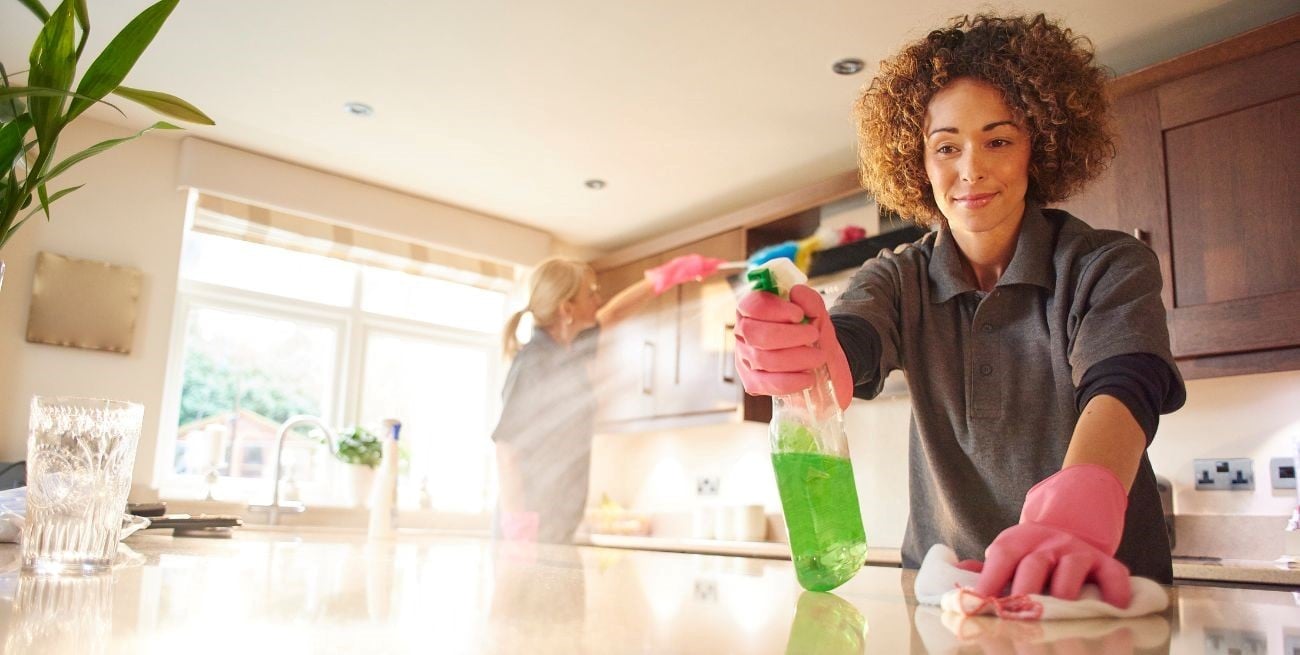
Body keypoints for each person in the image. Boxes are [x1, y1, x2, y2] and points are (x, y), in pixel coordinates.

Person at [734, 13, 1185, 608]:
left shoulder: (1106, 263)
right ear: (918, 162)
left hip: (1098, 590)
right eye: (946, 146)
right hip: (950, 596)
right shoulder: (897, 277)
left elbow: (1125, 387)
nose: (969, 169)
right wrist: (803, 354)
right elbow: (849, 347)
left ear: (1039, 149)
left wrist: (1080, 503)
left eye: (998, 140)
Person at [491, 254, 723, 543]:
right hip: (529, 530)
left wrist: (664, 277)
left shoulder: (568, 352)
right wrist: (518, 529)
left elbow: (613, 314)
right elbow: (507, 450)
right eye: (590, 294)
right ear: (567, 309)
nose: (598, 300)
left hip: (557, 525)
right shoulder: (534, 364)